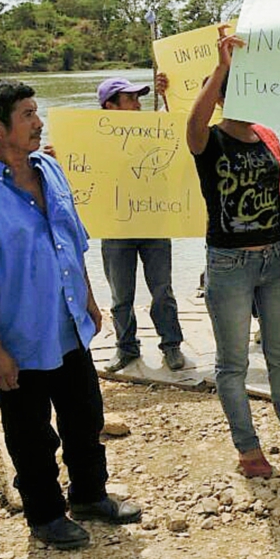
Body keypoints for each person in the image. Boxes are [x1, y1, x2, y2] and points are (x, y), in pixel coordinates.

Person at [0, 78, 142, 550]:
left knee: (85, 417)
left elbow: (71, 240)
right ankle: (46, 515)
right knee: (31, 435)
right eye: (28, 114)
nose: (39, 121)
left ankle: (90, 496)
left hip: (67, 325)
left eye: (37, 111)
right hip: (17, 338)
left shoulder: (49, 170)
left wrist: (89, 300)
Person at [186, 30, 280, 478]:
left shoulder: (267, 137)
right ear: (227, 96)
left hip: (278, 258)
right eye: (243, 90)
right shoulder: (207, 140)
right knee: (233, 362)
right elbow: (193, 121)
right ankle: (248, 449)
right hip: (229, 264)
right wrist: (222, 68)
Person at [94, 77, 187, 373]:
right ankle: (126, 348)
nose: (138, 104)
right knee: (122, 295)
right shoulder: (90, 138)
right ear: (110, 106)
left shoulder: (151, 131)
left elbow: (178, 129)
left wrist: (167, 94)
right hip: (114, 227)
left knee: (162, 290)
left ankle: (171, 345)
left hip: (154, 222)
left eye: (139, 98)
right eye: (131, 99)